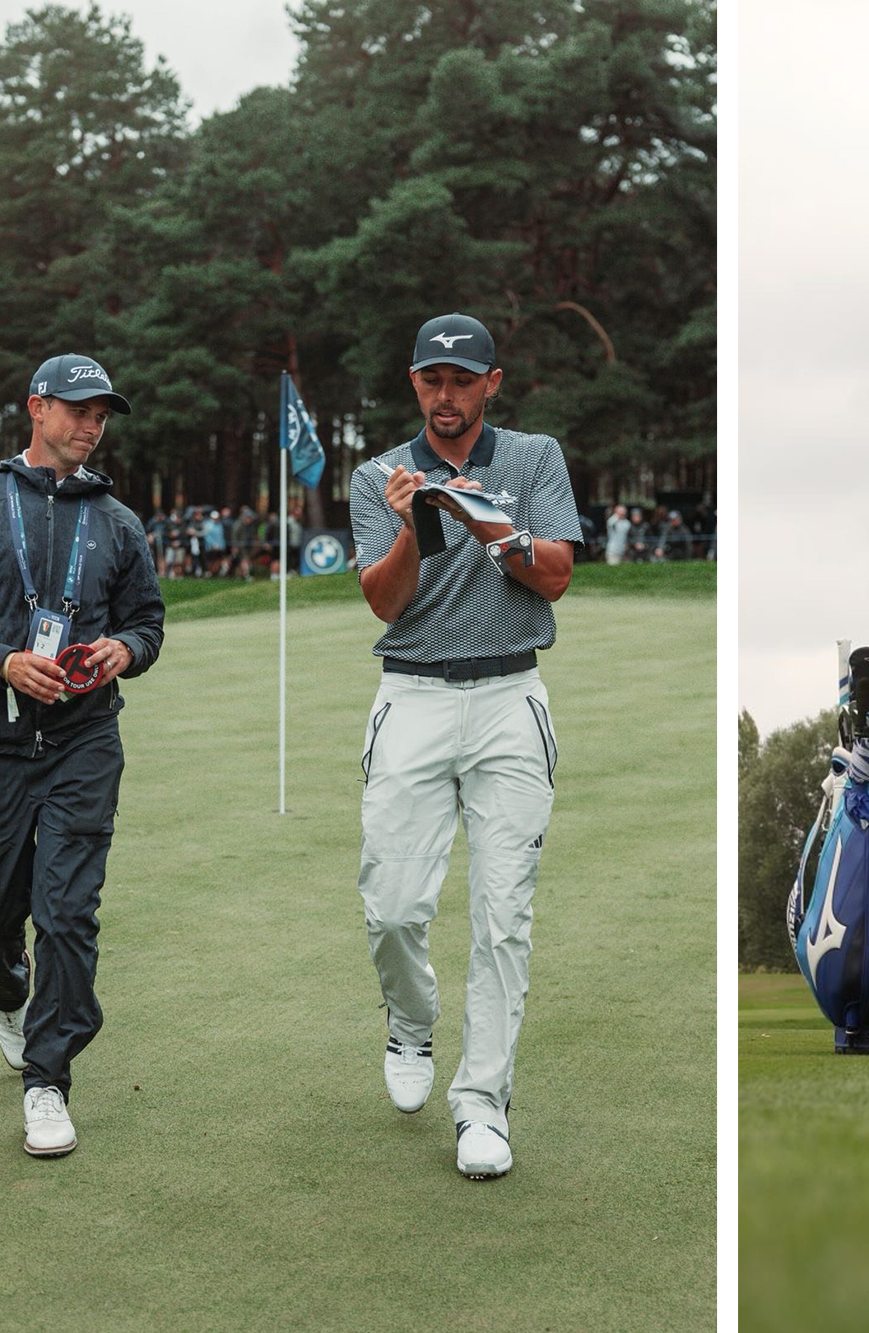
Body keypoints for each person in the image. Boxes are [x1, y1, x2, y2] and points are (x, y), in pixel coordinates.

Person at [347, 311, 583, 1179]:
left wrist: (486, 519)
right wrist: (415, 524)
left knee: (502, 916)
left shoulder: (532, 459)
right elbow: (384, 602)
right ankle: (410, 1022)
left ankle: (482, 1103)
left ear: (491, 383)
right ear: (415, 384)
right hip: (411, 694)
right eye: (431, 381)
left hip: (510, 694)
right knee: (395, 907)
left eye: (463, 380)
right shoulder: (380, 474)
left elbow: (554, 573)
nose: (446, 397)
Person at [0, 353, 165, 1157]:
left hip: (83, 743)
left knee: (67, 913)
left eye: (103, 413)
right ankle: (5, 986)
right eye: (80, 409)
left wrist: (123, 649)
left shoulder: (121, 522)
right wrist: (3, 661)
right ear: (37, 408)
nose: (93, 424)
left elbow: (149, 623)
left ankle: (48, 1080)